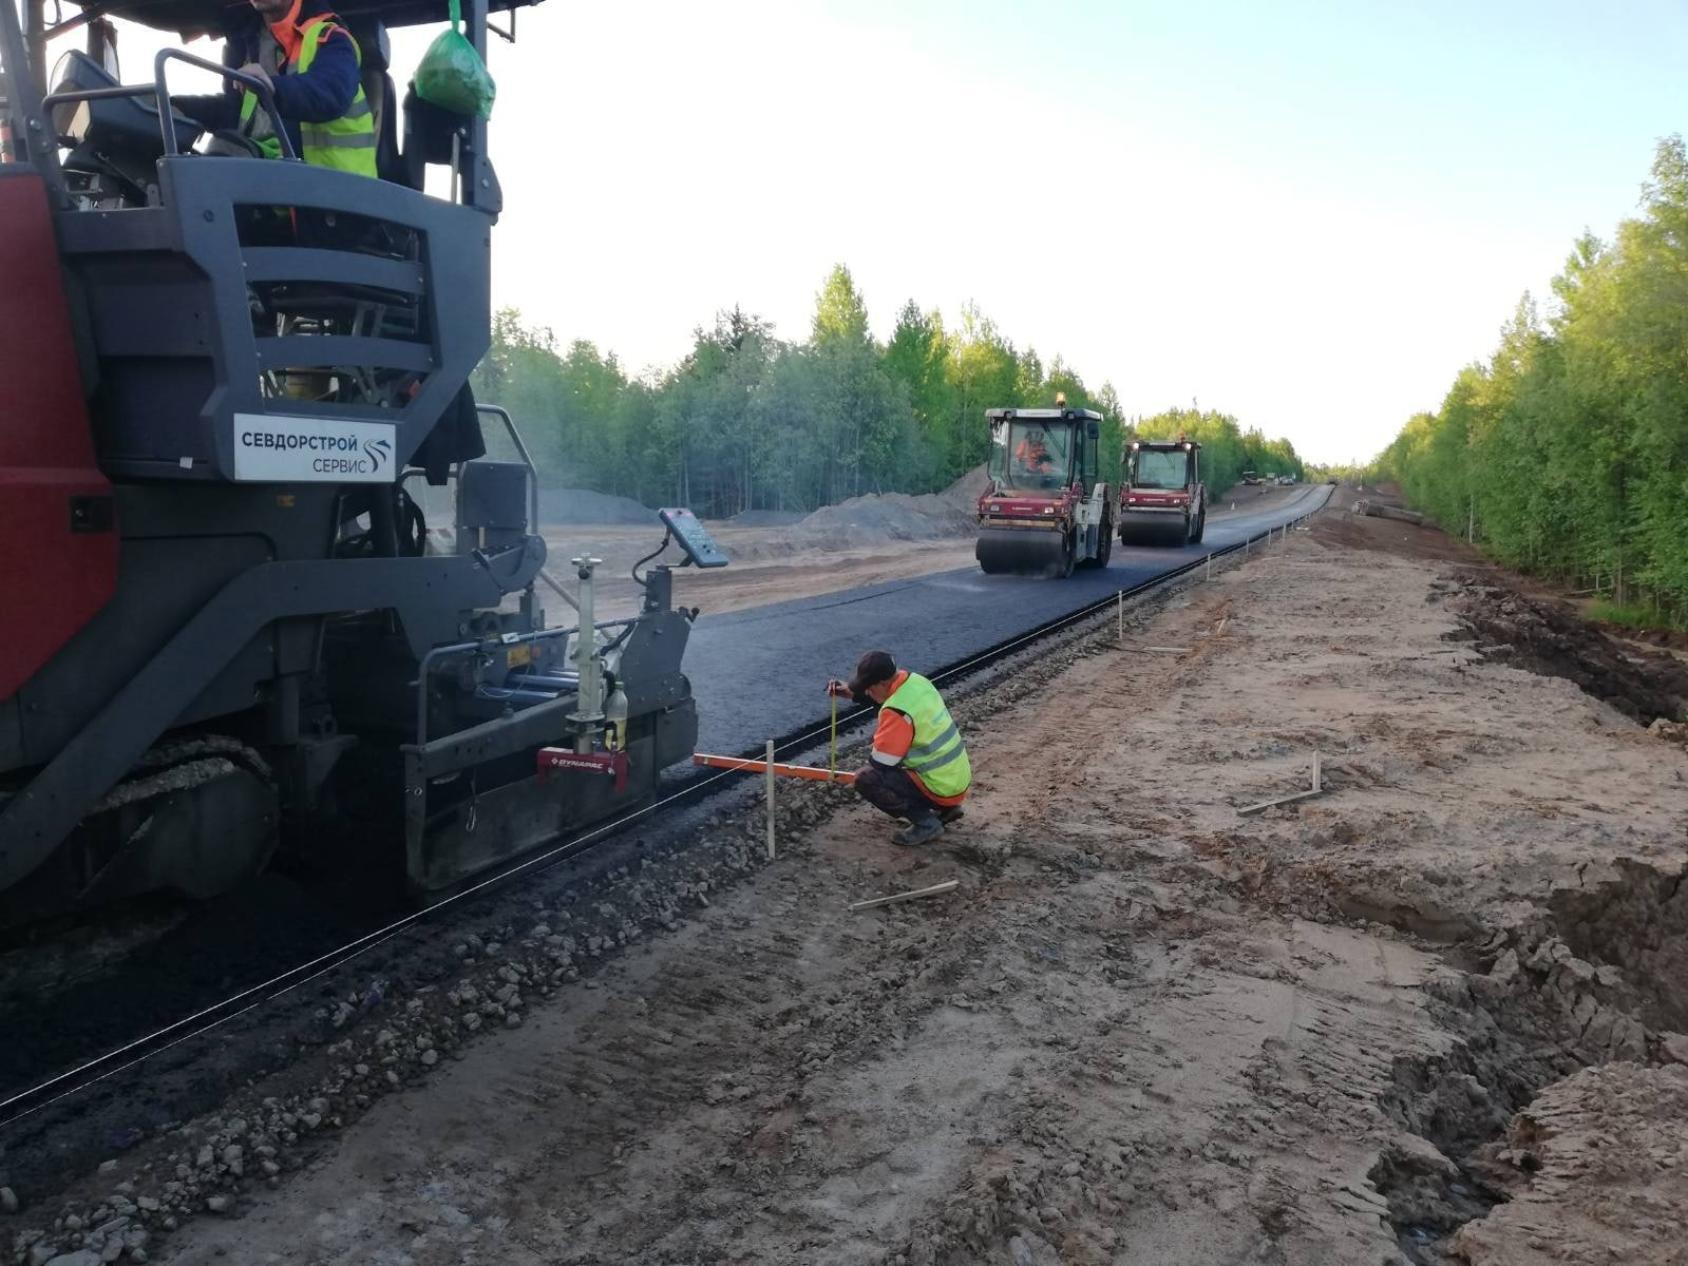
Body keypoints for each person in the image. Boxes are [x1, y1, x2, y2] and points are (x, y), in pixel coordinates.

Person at [177, 0, 377, 177]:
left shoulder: (332, 38)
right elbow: (236, 111)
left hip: (335, 196)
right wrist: (178, 108)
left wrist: (273, 88)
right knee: (180, 169)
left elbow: (332, 92)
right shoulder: (247, 43)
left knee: (227, 154)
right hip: (273, 174)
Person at [827, 651, 971, 847]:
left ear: (883, 683)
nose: (866, 692)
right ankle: (948, 810)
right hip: (956, 780)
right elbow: (893, 700)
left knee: (867, 780)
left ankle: (926, 824)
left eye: (868, 688)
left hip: (939, 787)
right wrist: (854, 694)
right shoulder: (917, 682)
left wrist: (883, 737)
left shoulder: (896, 712)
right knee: (901, 766)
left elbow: (882, 762)